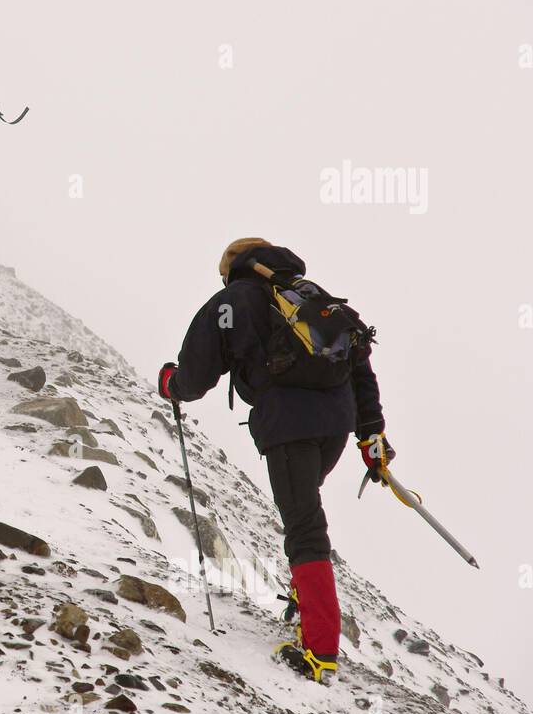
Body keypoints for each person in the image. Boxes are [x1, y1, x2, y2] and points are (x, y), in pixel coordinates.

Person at [157, 238, 394, 684]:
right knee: (305, 511)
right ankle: (305, 603)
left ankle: (319, 651)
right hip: (335, 428)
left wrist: (172, 384)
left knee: (304, 528)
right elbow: (360, 366)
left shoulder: (233, 300)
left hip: (288, 425)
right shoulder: (314, 297)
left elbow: (197, 371)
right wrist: (371, 434)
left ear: (232, 270)